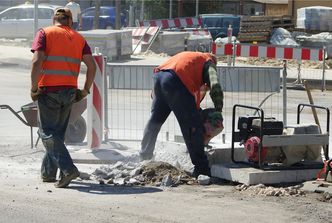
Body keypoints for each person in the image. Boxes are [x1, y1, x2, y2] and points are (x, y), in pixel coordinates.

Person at [30, 8, 96, 188]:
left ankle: (68, 169)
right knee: (57, 134)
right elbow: (92, 66)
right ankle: (48, 174)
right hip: (69, 91)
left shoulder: (45, 33)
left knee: (46, 133)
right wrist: (85, 90)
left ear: (54, 20)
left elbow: (37, 62)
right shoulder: (79, 38)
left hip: (48, 90)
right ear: (70, 22)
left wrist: (34, 88)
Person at [139, 51, 224, 178]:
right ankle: (202, 169)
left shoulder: (191, 58)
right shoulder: (208, 62)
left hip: (160, 77)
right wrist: (218, 109)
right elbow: (215, 85)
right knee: (192, 127)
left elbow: (191, 99)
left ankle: (144, 158)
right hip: (177, 80)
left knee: (155, 121)